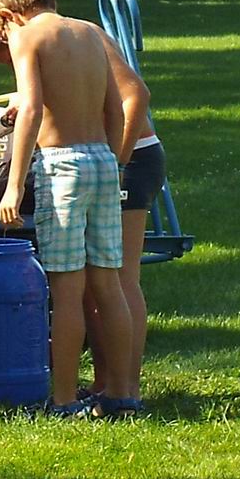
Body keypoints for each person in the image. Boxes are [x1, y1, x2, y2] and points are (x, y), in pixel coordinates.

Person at [0, 0, 137, 417]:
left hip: (62, 166)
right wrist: (114, 162)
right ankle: (122, 392)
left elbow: (31, 109)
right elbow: (116, 109)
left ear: (9, 15)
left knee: (68, 289)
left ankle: (65, 398)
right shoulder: (90, 33)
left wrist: (14, 185)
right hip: (102, 160)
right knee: (108, 283)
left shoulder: (27, 37)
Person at [83, 30, 166, 409]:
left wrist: (116, 162)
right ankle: (106, 382)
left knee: (119, 278)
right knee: (93, 283)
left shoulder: (83, 35)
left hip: (133, 160)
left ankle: (128, 388)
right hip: (107, 161)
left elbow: (136, 95)